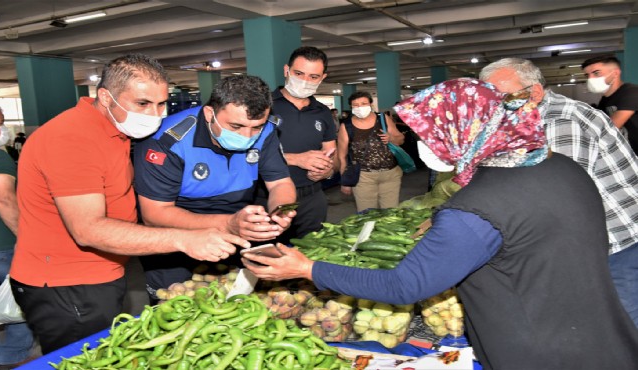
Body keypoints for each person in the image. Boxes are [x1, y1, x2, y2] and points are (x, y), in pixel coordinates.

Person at [243, 78, 638, 370]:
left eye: (427, 134)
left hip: (536, 352)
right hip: (603, 335)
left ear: (459, 129)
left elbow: (405, 285)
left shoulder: (475, 208)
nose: (424, 144)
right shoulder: (561, 166)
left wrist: (305, 268)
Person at [9, 54, 250, 354]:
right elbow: (88, 229)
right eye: (143, 104)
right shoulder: (72, 138)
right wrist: (183, 238)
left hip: (99, 274)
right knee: (85, 359)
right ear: (106, 97)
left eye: (162, 103)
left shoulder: (113, 129)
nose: (156, 114)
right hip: (67, 283)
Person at [479, 57, 638, 327]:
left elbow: (559, 194)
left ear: (535, 92)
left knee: (624, 323)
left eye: (502, 97)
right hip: (600, 235)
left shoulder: (560, 120)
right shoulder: (530, 118)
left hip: (619, 239)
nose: (495, 106)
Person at [133, 75, 296, 299]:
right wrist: (228, 224)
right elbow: (155, 214)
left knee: (237, 303)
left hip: (236, 229)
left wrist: (281, 212)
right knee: (175, 309)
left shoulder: (266, 131)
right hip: (176, 237)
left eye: (255, 127)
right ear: (210, 113)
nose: (247, 136)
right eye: (236, 126)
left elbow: (280, 182)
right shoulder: (167, 141)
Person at [256, 46, 337, 243]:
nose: (305, 81)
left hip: (312, 196)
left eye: (313, 76)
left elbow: (331, 154)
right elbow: (243, 154)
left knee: (312, 254)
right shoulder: (263, 106)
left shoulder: (323, 113)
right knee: (269, 257)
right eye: (299, 73)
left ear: (322, 77)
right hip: (267, 196)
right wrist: (297, 159)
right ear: (287, 70)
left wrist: (327, 171)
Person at [0, 103, 34, 369]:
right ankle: (11, 353)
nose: (2, 128)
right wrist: (26, 236)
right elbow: (4, 200)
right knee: (28, 297)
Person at [337, 91, 404, 212]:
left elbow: (400, 139)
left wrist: (391, 138)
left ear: (371, 104)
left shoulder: (383, 119)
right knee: (367, 214)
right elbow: (342, 155)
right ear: (351, 107)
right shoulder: (346, 126)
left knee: (390, 213)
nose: (360, 107)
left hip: (390, 175)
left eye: (363, 103)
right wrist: (345, 180)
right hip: (363, 177)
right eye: (355, 105)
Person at [582, 55, 638, 154]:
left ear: (615, 73)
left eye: (596, 73)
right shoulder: (604, 101)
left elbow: (610, 129)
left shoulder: (631, 92)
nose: (590, 78)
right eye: (587, 75)